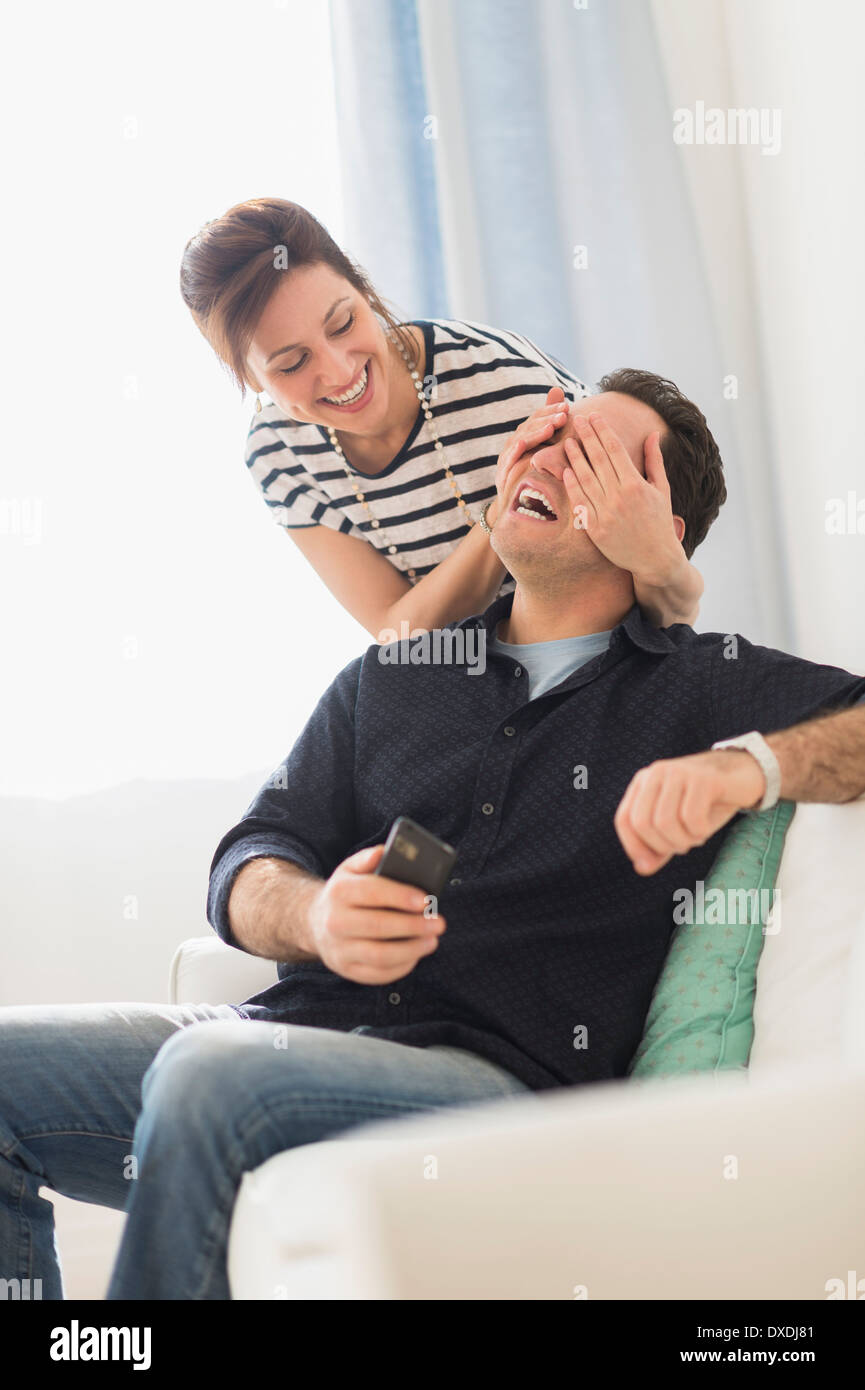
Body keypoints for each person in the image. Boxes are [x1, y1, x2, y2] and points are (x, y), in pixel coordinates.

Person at [3, 371, 864, 1301]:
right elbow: (251, 855)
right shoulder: (397, 675)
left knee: (212, 1076)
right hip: (287, 1031)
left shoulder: (701, 685)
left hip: (497, 1086)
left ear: (657, 525)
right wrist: (316, 915)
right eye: (549, 429)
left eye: (595, 456)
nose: (548, 450)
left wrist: (749, 768)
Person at [180, 197, 704, 636]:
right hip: (453, 696)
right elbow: (398, 636)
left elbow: (642, 573)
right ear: (248, 377)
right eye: (292, 362)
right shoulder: (280, 454)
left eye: (343, 323)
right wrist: (504, 508)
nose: (339, 372)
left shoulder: (508, 384)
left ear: (363, 289)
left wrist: (676, 580)